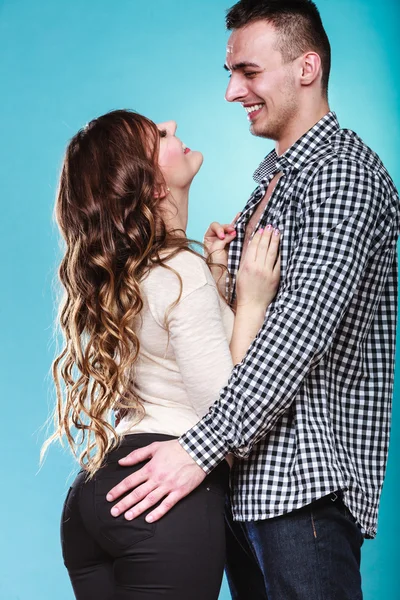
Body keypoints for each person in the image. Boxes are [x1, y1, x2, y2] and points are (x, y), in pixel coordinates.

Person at [105, 2, 400, 599]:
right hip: (245, 489)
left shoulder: (342, 176)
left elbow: (298, 333)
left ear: (307, 67)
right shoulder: (273, 182)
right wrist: (218, 275)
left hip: (301, 492)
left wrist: (196, 452)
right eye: (229, 71)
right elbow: (228, 340)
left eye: (248, 71)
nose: (231, 91)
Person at [43, 109, 281, 599]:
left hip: (95, 495)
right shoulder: (180, 271)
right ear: (152, 186)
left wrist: (215, 280)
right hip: (160, 500)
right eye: (158, 136)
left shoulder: (133, 273)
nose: (172, 125)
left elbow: (170, 357)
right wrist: (253, 300)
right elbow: (225, 411)